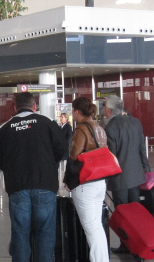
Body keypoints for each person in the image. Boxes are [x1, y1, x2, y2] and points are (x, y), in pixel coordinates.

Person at [0, 92, 67, 262]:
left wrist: (12, 169)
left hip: (17, 185)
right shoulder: (47, 123)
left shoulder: (4, 128)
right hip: (45, 184)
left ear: (14, 107)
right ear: (35, 106)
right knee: (45, 231)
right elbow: (62, 149)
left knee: (20, 231)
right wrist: (47, 165)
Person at [102, 95, 151, 254]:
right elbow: (142, 149)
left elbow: (112, 157)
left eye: (103, 107)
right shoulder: (135, 122)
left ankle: (126, 244)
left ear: (109, 110)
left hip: (120, 179)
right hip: (136, 176)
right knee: (136, 211)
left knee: (122, 212)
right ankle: (139, 242)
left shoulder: (110, 128)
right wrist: (146, 170)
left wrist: (105, 179)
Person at [63, 97, 109, 262]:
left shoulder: (81, 129)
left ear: (76, 111)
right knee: (97, 227)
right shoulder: (99, 127)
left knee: (92, 229)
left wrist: (68, 180)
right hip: (99, 182)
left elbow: (74, 156)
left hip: (85, 184)